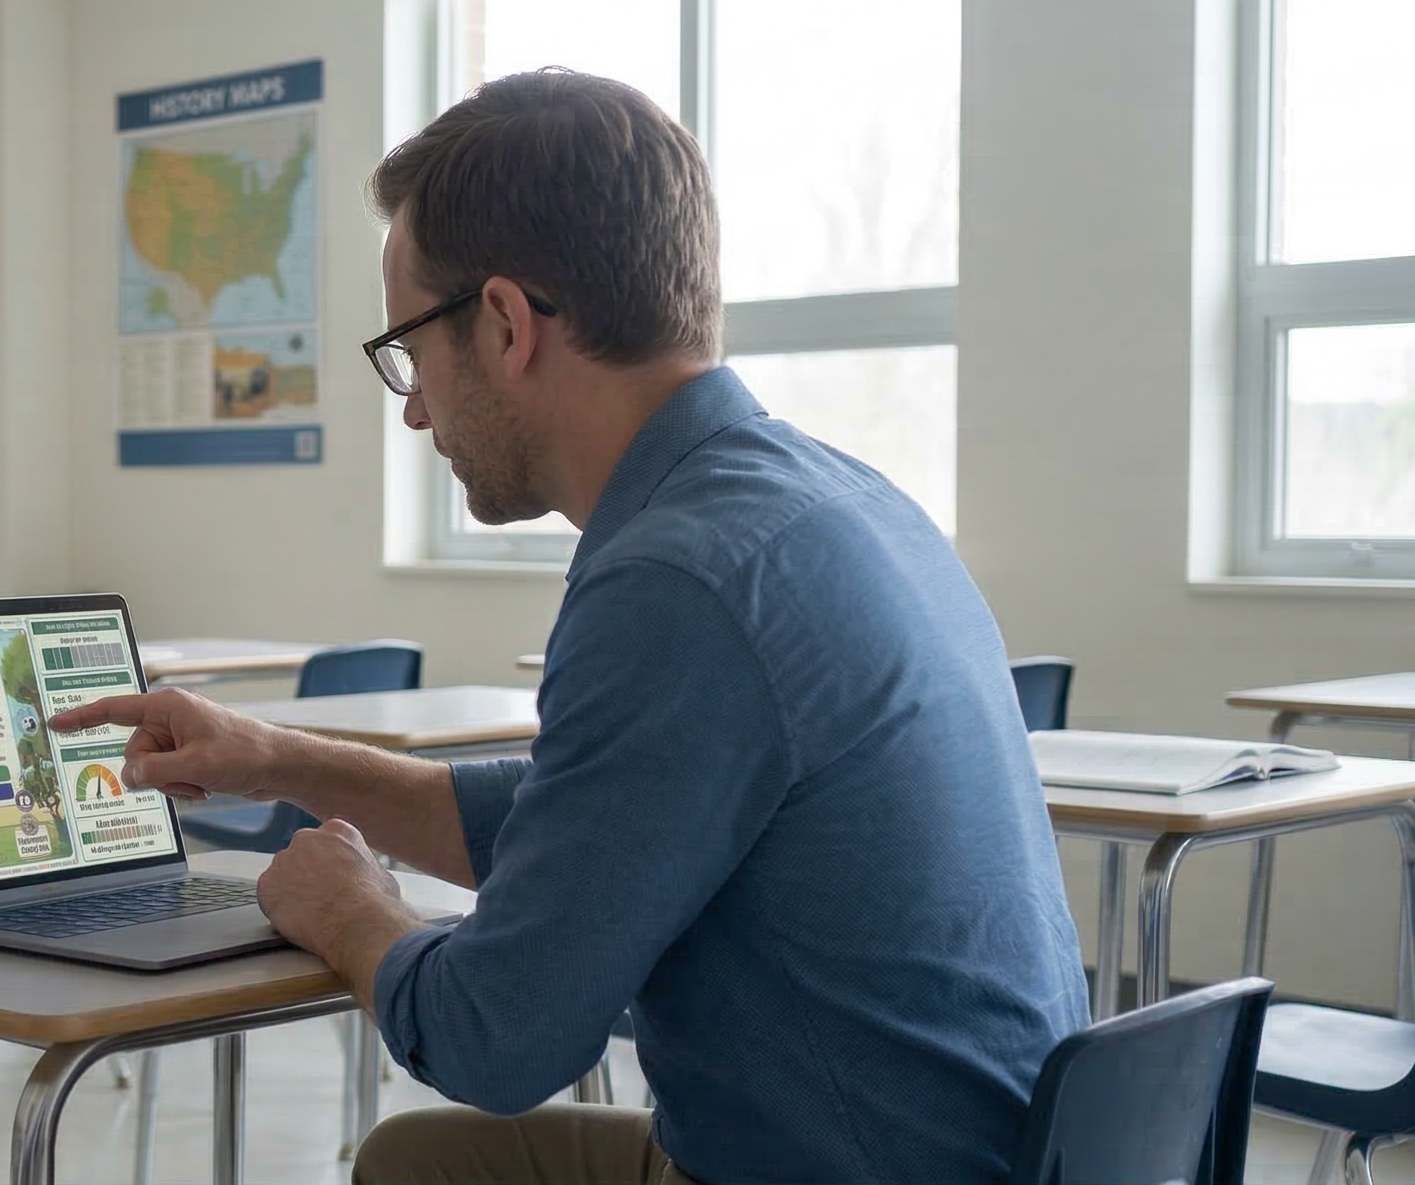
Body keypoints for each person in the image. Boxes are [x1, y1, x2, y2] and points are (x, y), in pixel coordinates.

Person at [53, 69, 1083, 1184]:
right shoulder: (839, 501)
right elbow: (579, 822)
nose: (412, 405)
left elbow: (497, 1039)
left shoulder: (676, 582)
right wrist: (277, 760)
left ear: (502, 324)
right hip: (985, 1153)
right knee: (419, 1165)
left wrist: (352, 914)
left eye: (407, 348)